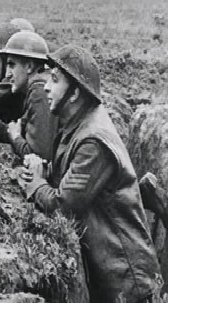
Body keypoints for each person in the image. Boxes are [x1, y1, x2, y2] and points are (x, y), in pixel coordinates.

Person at [20, 45, 161, 302]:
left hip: (127, 283)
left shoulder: (94, 141)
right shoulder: (77, 124)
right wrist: (43, 170)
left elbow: (63, 206)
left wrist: (36, 184)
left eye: (55, 80)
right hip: (111, 274)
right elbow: (69, 175)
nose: (46, 87)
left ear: (75, 93)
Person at [0, 31, 57, 161]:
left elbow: (37, 157)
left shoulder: (39, 94)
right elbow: (12, 132)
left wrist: (16, 138)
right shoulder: (36, 90)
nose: (8, 74)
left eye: (12, 65)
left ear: (29, 66)